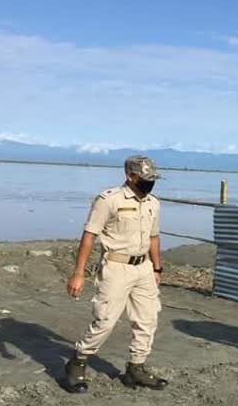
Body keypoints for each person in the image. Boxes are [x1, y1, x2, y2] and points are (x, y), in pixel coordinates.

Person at [65, 155, 168, 393]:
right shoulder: (108, 200)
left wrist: (156, 267)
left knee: (147, 319)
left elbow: (154, 237)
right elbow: (89, 236)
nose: (150, 182)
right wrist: (79, 273)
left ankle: (136, 368)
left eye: (153, 178)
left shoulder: (153, 203)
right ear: (130, 176)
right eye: (145, 178)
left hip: (143, 268)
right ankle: (78, 361)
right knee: (105, 320)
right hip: (116, 267)